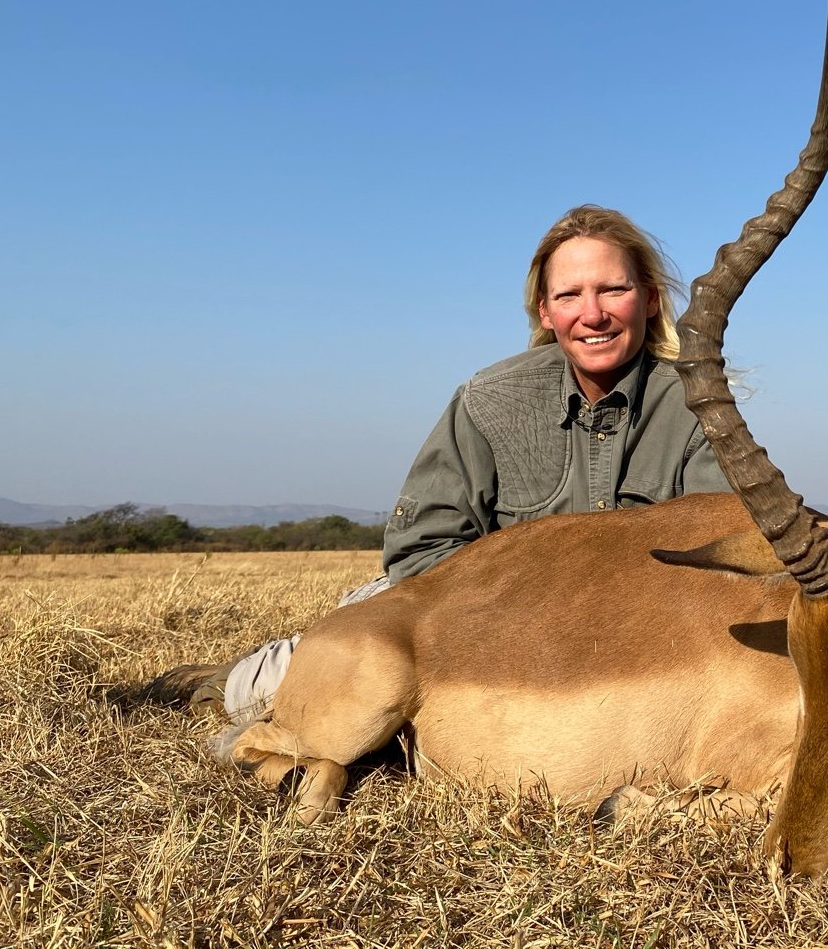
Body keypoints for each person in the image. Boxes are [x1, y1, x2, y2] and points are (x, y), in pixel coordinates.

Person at [149, 205, 730, 721]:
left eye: (613, 290)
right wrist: (532, 610)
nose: (593, 314)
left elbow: (722, 553)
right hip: (467, 615)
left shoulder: (699, 405)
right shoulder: (490, 399)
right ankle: (215, 680)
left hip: (633, 634)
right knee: (276, 694)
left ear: (651, 299)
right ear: (545, 312)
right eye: (570, 295)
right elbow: (418, 550)